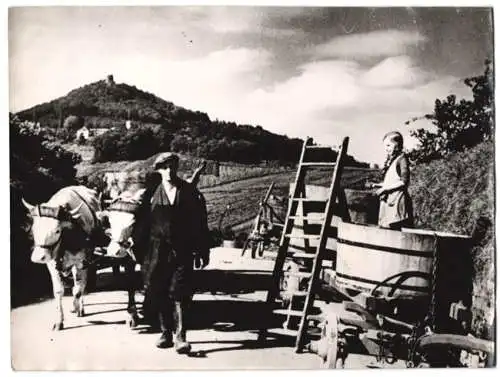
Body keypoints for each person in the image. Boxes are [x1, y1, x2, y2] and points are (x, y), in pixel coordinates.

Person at [139, 152, 211, 353]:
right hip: (156, 252)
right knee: (160, 290)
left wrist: (203, 250)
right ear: (158, 170)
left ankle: (181, 337)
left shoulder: (188, 192)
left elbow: (200, 223)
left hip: (182, 251)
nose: (169, 171)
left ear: (177, 168)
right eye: (164, 167)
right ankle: (165, 333)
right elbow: (142, 225)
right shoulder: (151, 193)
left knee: (180, 293)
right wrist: (138, 252)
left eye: (172, 167)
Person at [369, 131, 414, 230]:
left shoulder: (402, 160)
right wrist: (376, 185)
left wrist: (385, 190)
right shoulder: (394, 161)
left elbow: (403, 182)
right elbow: (391, 182)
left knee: (394, 229)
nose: (386, 149)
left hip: (396, 201)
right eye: (385, 146)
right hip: (389, 202)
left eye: (389, 145)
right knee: (386, 229)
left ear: (397, 145)